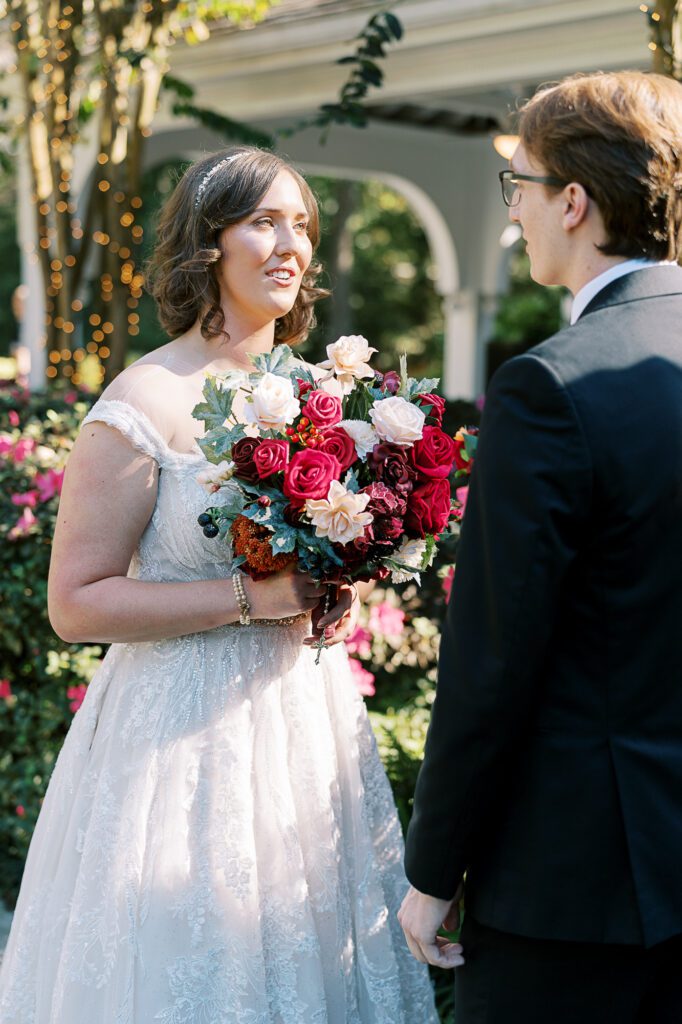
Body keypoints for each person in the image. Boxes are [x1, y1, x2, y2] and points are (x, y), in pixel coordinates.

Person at [0, 147, 438, 1023]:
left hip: (305, 729)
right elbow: (76, 602)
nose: (290, 244)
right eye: (264, 221)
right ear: (209, 242)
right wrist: (253, 600)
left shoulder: (324, 393)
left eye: (302, 225)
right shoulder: (146, 399)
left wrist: (334, 583)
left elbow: (312, 551)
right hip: (176, 748)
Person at [398, 70, 682, 1023]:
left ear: (573, 200)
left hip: (580, 883)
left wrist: (434, 868)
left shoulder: (550, 388)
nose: (512, 211)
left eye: (517, 183)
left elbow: (493, 657)